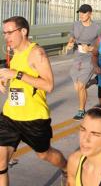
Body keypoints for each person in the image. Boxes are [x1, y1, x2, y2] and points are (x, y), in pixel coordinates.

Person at [0, 16, 67, 185]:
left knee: (44, 154)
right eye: (4, 33)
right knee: (1, 163)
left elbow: (49, 85)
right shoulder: (13, 51)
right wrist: (5, 79)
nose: (6, 37)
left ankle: (67, 168)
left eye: (10, 32)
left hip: (34, 118)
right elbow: (17, 74)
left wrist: (16, 74)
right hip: (10, 116)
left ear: (23, 31)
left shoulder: (37, 53)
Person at [66, 4, 101, 120]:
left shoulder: (97, 28)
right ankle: (94, 81)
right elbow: (72, 35)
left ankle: (81, 111)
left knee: (81, 86)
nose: (81, 15)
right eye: (80, 13)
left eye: (84, 13)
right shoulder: (76, 24)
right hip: (78, 57)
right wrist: (70, 42)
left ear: (90, 13)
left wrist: (91, 49)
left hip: (91, 58)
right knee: (78, 87)